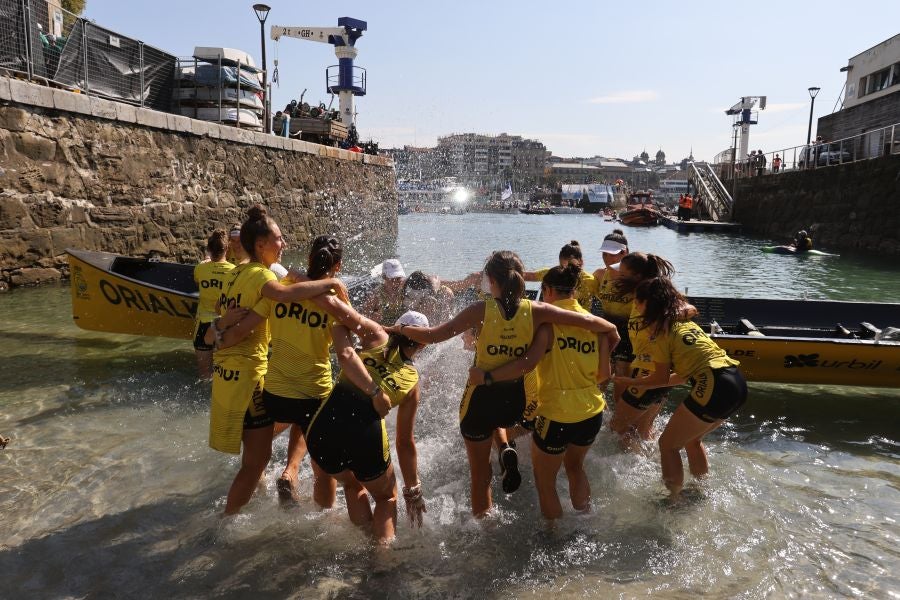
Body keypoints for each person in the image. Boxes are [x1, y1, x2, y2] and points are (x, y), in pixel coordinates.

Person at [389, 250, 620, 517]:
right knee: (514, 432)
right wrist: (611, 330)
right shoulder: (536, 310)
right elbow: (586, 320)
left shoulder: (480, 309)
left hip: (481, 399)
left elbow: (433, 336)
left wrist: (398, 329)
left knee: (480, 475)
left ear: (491, 281)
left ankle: (485, 531)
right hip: (515, 400)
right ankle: (507, 450)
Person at [203, 205, 349, 516]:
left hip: (248, 382)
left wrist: (219, 333)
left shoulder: (237, 273)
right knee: (268, 464)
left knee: (256, 456)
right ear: (260, 244)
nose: (283, 244)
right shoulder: (267, 280)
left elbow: (232, 327)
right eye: (279, 239)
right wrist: (332, 286)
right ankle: (232, 519)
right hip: (267, 381)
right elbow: (285, 299)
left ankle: (259, 489)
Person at [468, 265, 610, 521]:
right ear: (575, 292)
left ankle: (553, 535)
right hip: (592, 411)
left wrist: (487, 376)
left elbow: (525, 364)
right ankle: (587, 522)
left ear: (547, 290)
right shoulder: (595, 326)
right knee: (576, 468)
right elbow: (603, 376)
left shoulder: (546, 325)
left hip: (556, 414)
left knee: (546, 482)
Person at [613, 277, 747, 500]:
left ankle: (673, 499)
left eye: (638, 301)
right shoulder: (685, 322)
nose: (635, 306)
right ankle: (701, 491)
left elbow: (659, 377)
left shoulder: (659, 333)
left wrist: (629, 382)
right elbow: (678, 377)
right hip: (736, 381)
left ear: (650, 303)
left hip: (714, 383)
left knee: (667, 444)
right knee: (692, 440)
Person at [306, 310, 431, 544]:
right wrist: (412, 487)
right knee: (386, 497)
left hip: (321, 430)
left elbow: (341, 314)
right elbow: (404, 442)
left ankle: (364, 540)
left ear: (395, 329)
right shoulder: (412, 383)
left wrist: (349, 332)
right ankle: (381, 558)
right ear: (422, 346)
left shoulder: (374, 336)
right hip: (365, 436)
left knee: (352, 483)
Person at [607, 253, 680, 448]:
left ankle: (631, 473)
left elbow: (688, 309)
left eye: (622, 274)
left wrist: (666, 317)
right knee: (644, 431)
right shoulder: (648, 291)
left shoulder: (651, 294)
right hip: (662, 372)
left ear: (638, 276)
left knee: (618, 430)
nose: (617, 277)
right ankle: (655, 465)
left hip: (649, 372)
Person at [192, 229, 235, 379]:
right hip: (224, 324)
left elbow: (198, 283)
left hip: (203, 325)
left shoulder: (200, 268)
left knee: (205, 375)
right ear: (227, 249)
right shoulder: (234, 271)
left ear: (209, 249)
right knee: (225, 373)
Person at [524, 240, 597, 310]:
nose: (566, 272)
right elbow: (528, 276)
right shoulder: (552, 275)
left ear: (581, 262)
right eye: (562, 267)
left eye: (569, 268)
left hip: (581, 319)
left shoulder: (590, 281)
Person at [362, 258, 406, 324]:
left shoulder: (405, 291)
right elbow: (363, 317)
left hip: (402, 330)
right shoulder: (376, 295)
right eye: (392, 279)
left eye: (398, 278)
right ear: (384, 277)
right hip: (384, 330)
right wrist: (372, 318)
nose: (396, 282)